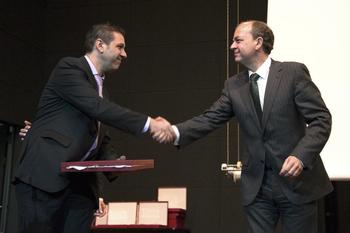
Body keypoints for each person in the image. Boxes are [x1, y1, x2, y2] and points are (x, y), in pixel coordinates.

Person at [154, 20, 333, 233]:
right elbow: (210, 118)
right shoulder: (234, 86)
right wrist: (174, 131)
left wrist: (301, 156)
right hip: (257, 188)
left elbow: (321, 119)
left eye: (238, 40)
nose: (232, 46)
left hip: (297, 184)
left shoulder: (292, 73)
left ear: (258, 42)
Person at [14, 23, 171, 233]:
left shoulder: (102, 90)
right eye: (120, 47)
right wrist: (149, 123)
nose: (124, 54)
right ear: (100, 45)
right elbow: (98, 108)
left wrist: (115, 163)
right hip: (45, 178)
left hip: (80, 188)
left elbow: (98, 137)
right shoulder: (69, 68)